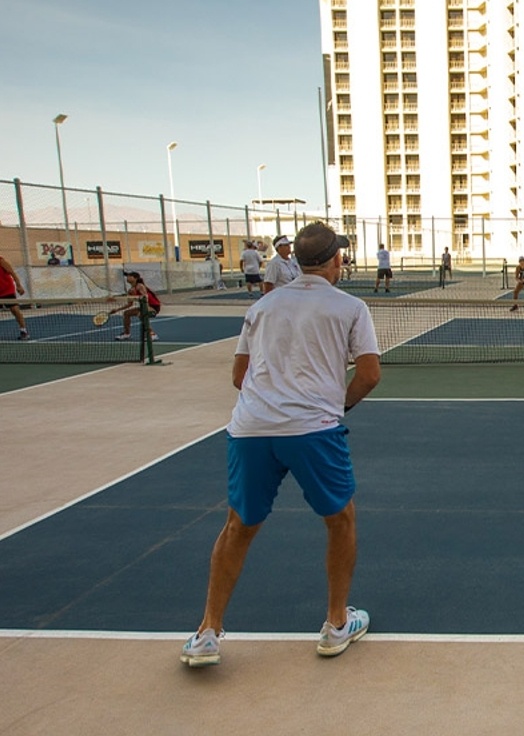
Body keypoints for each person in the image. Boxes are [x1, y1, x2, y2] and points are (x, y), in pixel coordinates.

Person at [181, 222, 381, 668]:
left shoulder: (263, 306)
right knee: (340, 521)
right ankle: (335, 624)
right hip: (314, 432)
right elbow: (368, 374)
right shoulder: (350, 307)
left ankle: (207, 632)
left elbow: (239, 375)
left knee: (238, 525)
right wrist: (334, 406)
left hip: (250, 429)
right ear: (335, 261)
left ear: (298, 260)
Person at [107, 270, 161, 342]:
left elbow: (145, 298)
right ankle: (126, 334)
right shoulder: (130, 291)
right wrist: (117, 310)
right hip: (144, 307)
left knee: (141, 314)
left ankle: (152, 334)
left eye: (130, 276)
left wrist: (146, 309)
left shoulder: (140, 286)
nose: (127, 277)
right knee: (126, 313)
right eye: (127, 276)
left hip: (153, 307)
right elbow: (130, 304)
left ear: (135, 278)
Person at [1, 253, 30, 340]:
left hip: (7, 290)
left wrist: (18, 285)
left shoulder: (1, 261)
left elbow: (12, 273)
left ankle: (23, 331)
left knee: (15, 310)